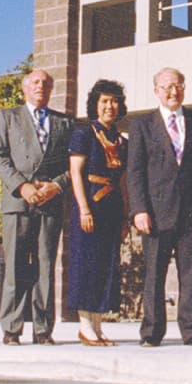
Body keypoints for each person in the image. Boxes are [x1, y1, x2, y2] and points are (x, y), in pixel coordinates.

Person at [126, 67, 192, 347]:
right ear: (156, 91)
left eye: (177, 86)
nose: (172, 92)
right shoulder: (142, 125)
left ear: (184, 89)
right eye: (166, 87)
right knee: (154, 274)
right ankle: (151, 333)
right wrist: (139, 209)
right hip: (156, 212)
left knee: (191, 273)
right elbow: (135, 171)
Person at [0, 69, 72, 346]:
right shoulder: (7, 117)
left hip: (49, 203)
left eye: (46, 84)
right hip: (18, 202)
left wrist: (57, 186)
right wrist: (22, 186)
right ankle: (11, 328)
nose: (41, 87)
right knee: (15, 266)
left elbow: (73, 164)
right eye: (35, 82)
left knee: (45, 266)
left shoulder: (64, 122)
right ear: (25, 87)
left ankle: (43, 329)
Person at [67, 79, 129, 346]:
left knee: (106, 265)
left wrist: (126, 216)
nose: (109, 106)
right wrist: (83, 208)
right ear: (95, 104)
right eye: (104, 101)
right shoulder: (84, 133)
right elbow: (75, 172)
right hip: (90, 204)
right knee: (87, 264)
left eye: (114, 101)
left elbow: (123, 180)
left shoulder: (121, 140)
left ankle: (98, 325)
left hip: (112, 207)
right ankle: (84, 325)